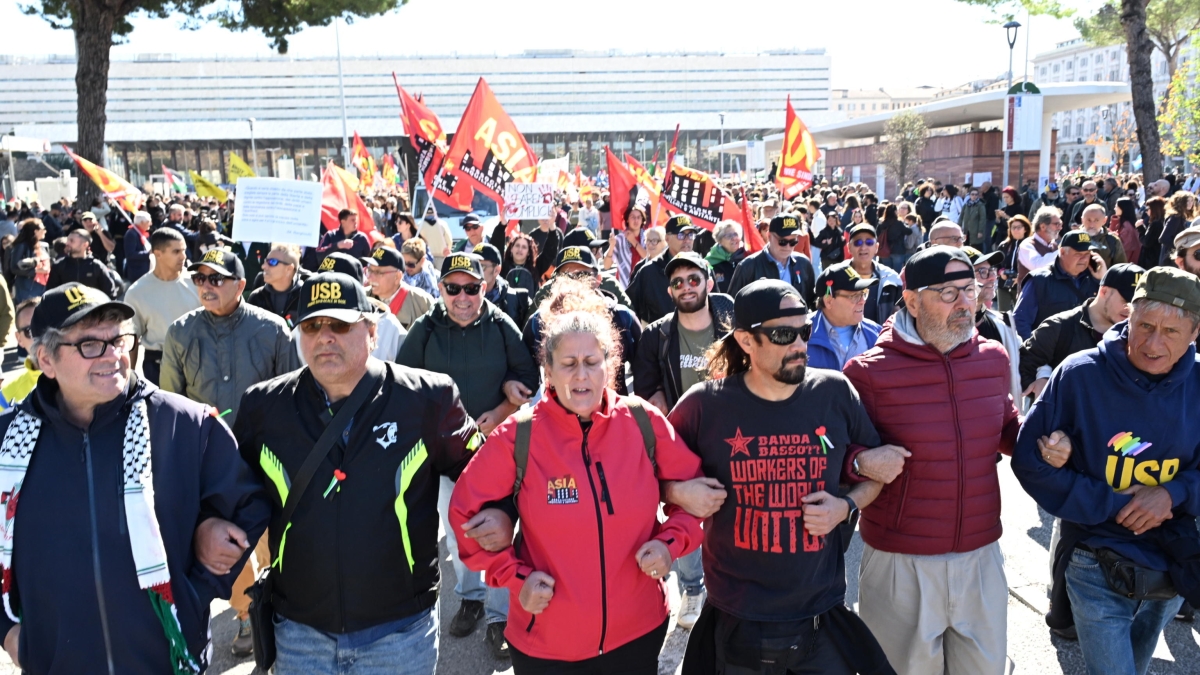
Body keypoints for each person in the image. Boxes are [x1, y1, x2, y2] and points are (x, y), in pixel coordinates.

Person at [234, 271, 512, 674]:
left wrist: (502, 513)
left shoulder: (428, 398)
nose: (324, 336)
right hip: (300, 634)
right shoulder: (263, 406)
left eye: (340, 324)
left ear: (371, 330)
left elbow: (487, 475)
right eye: (311, 326)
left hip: (399, 634)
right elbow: (230, 496)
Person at [0, 283, 270, 674]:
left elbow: (248, 504)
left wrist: (198, 587)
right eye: (90, 344)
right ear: (46, 359)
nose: (113, 355)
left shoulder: (184, 424)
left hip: (165, 661)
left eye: (119, 339)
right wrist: (8, 630)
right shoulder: (8, 445)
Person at [450, 295, 704, 673]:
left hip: (637, 633)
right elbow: (463, 514)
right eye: (568, 364)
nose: (581, 375)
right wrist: (515, 577)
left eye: (591, 363)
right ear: (548, 372)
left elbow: (694, 496)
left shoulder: (642, 422)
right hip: (547, 643)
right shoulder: (519, 435)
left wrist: (670, 544)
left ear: (610, 366)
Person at [668, 279, 896, 675]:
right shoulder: (706, 405)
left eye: (804, 331)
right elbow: (647, 474)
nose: (800, 346)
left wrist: (845, 507)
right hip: (737, 621)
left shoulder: (834, 392)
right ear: (745, 341)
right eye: (783, 334)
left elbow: (875, 471)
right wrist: (678, 489)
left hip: (820, 618)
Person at [1012, 267, 1200, 675]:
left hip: (1171, 560)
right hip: (1094, 558)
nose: (1152, 343)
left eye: (1171, 331)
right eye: (1144, 325)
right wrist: (1114, 504)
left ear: (1195, 332)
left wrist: (1173, 494)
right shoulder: (1080, 373)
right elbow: (1029, 460)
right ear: (1126, 317)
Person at [842, 246, 1019, 675]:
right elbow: (836, 453)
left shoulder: (993, 359)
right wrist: (862, 463)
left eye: (970, 289)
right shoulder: (868, 372)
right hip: (902, 562)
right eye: (947, 293)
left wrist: (1043, 440)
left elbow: (1006, 425)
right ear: (912, 300)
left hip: (981, 554)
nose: (964, 303)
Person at [396, 252, 539, 658]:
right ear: (439, 289)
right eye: (453, 288)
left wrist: (503, 408)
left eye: (471, 288)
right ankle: (470, 595)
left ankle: (498, 617)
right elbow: (401, 381)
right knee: (458, 532)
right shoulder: (425, 329)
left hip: (495, 449)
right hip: (443, 454)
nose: (463, 297)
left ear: (484, 288)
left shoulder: (500, 324)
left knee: (498, 533)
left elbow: (527, 376)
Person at [1019, 261, 1141, 412]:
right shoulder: (1059, 326)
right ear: (1104, 291)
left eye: (1137, 304)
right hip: (1059, 429)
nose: (1130, 309)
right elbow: (1023, 365)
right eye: (1126, 301)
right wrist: (1042, 385)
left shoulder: (1137, 335)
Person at [525, 250, 642, 396]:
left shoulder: (622, 317)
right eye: (566, 276)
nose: (575, 282)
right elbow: (524, 375)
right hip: (557, 416)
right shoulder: (539, 322)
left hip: (611, 414)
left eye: (582, 275)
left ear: (598, 279)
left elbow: (646, 373)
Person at [122, 229, 201, 386]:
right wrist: (129, 379)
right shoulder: (137, 292)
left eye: (184, 250)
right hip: (157, 366)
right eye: (176, 251)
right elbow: (132, 338)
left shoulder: (198, 284)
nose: (183, 256)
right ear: (157, 253)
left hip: (197, 362)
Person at [1013, 230, 1106, 339]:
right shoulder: (1040, 280)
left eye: (1087, 254)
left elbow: (1107, 316)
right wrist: (1029, 352)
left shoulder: (1095, 279)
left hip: (1084, 352)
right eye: (1078, 254)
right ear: (1062, 252)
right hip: (1048, 352)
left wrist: (1102, 281)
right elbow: (1020, 320)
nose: (1084, 259)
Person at [965, 246, 1023, 405]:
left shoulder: (1003, 323)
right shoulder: (941, 331)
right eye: (983, 272)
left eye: (992, 270)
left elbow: (1026, 358)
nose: (992, 277)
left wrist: (1042, 374)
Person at [806, 260, 882, 371]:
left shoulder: (876, 333)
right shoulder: (800, 334)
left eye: (863, 293)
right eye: (854, 296)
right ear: (829, 301)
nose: (862, 301)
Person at [727, 214, 816, 307]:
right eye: (782, 242)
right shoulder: (748, 266)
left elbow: (811, 301)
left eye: (793, 242)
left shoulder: (803, 263)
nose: (788, 247)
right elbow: (731, 305)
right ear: (769, 236)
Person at [627, 215, 699, 324]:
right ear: (667, 238)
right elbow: (630, 308)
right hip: (662, 338)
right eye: (681, 235)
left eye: (690, 235)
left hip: (699, 337)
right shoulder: (649, 272)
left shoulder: (703, 267)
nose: (687, 240)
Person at [364, 245, 435, 330]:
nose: (370, 278)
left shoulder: (421, 302)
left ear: (397, 277)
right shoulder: (361, 298)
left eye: (378, 272)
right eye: (370, 271)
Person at [476, 242, 532, 330]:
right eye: (473, 265)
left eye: (481, 266)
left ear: (497, 270)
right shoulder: (458, 295)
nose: (475, 271)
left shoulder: (516, 300)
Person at [46, 229, 116, 298]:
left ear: (85, 244)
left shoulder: (96, 266)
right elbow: (50, 293)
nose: (67, 243)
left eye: (71, 241)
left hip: (93, 307)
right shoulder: (59, 266)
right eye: (68, 240)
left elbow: (110, 294)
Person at [247, 243, 304, 326]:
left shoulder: (305, 297)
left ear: (289, 269)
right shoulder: (256, 297)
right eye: (265, 261)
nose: (263, 266)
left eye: (272, 262)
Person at [1, 298, 41, 408]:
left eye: (44, 326)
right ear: (19, 339)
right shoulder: (5, 397)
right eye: (30, 331)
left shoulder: (86, 377)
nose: (39, 337)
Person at [1017, 206, 1064, 287]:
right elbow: (1037, 266)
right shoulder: (1027, 245)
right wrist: (1062, 251)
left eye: (1060, 224)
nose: (1060, 227)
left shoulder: (1054, 245)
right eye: (1056, 224)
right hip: (1030, 297)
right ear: (1042, 226)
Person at [996, 215, 1030, 311]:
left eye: (1019, 227)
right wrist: (1001, 272)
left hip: (1022, 286)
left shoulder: (1030, 246)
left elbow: (1035, 267)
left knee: (1021, 314)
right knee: (1003, 314)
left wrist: (1021, 277)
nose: (1015, 230)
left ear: (1025, 229)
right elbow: (996, 265)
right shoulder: (1004, 245)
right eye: (1013, 227)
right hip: (1004, 284)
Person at [610, 206, 650, 288]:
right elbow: (607, 266)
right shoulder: (619, 238)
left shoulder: (648, 236)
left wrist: (633, 241)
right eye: (633, 217)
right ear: (627, 219)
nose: (636, 220)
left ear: (642, 220)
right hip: (622, 283)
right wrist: (611, 247)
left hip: (642, 280)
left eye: (639, 217)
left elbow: (648, 257)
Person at [1079, 203, 1127, 267]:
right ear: (1082, 220)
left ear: (1104, 220)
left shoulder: (1113, 241)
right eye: (1088, 220)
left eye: (1096, 220)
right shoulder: (1072, 238)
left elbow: (1120, 267)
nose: (1091, 225)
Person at [705, 220, 746, 295]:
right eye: (729, 236)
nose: (733, 238)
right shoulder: (710, 263)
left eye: (735, 234)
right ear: (719, 240)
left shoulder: (746, 256)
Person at [418, 204, 454, 271]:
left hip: (426, 258)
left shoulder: (419, 225)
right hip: (441, 257)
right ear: (435, 211)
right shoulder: (443, 224)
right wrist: (447, 250)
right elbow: (449, 241)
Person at [123, 211, 154, 282]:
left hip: (145, 270)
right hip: (137, 272)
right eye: (149, 221)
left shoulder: (141, 233)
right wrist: (149, 253)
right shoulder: (131, 234)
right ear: (142, 222)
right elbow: (130, 254)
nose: (151, 224)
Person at [1111, 197, 1142, 266]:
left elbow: (1124, 247)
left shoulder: (1127, 226)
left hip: (1126, 261)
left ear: (1122, 208)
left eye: (1116, 206)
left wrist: (1113, 236)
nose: (1114, 209)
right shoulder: (1124, 223)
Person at [1139, 196, 1166, 268]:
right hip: (1157, 258)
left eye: (1148, 208)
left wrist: (1140, 227)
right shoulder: (1162, 221)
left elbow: (1147, 242)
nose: (1146, 211)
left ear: (1154, 209)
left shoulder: (1156, 223)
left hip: (1151, 260)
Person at [959, 187, 988, 251]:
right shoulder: (966, 205)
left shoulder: (980, 205)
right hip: (966, 230)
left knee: (976, 247)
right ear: (969, 195)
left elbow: (982, 219)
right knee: (965, 248)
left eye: (976, 194)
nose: (974, 196)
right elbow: (961, 217)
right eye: (972, 194)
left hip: (975, 230)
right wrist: (959, 227)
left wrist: (980, 231)